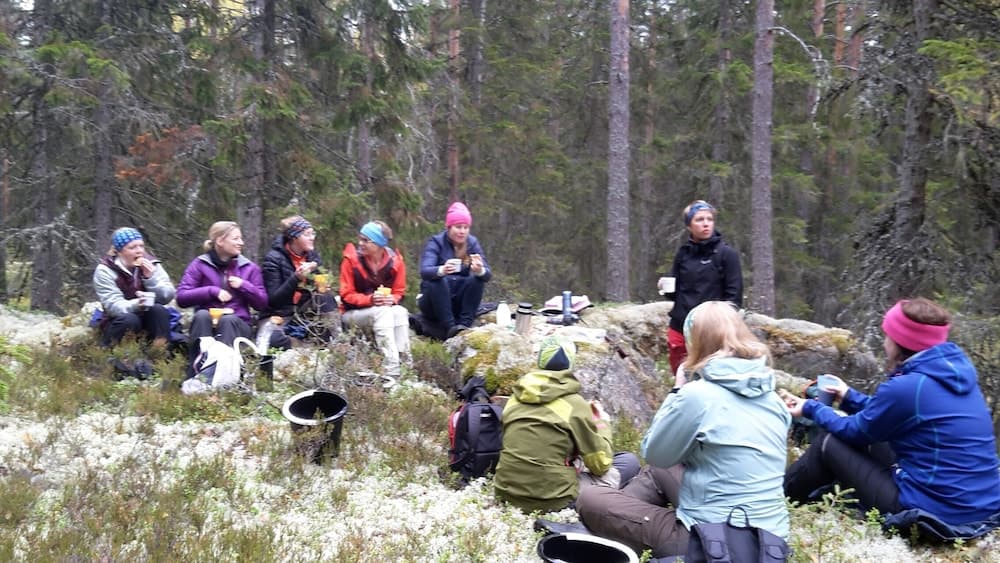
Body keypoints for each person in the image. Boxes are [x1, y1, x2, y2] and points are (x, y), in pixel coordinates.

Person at [576, 301, 790, 558]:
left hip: (709, 543)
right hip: (771, 542)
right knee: (663, 469)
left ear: (695, 343)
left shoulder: (697, 396)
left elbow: (654, 452)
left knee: (591, 499)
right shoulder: (773, 399)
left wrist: (677, 391)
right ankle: (620, 517)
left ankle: (613, 525)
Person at [782, 298, 1000, 530]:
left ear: (901, 341)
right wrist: (848, 397)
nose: (885, 343)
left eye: (887, 335)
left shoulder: (907, 387)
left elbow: (854, 431)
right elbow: (887, 416)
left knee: (829, 443)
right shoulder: (954, 375)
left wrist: (810, 408)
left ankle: (781, 500)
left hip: (939, 511)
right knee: (878, 438)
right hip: (981, 504)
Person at [494, 336, 640, 513]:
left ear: (540, 362)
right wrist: (602, 424)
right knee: (628, 462)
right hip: (555, 499)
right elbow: (600, 464)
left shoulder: (515, 398)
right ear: (570, 365)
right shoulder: (574, 404)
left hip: (506, 493)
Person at [176, 221, 268, 374]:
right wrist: (212, 291)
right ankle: (196, 374)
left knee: (228, 320)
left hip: (238, 325)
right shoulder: (199, 264)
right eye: (236, 238)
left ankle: (222, 375)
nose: (241, 243)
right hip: (207, 324)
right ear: (220, 241)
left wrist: (244, 286)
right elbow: (182, 297)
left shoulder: (249, 268)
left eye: (241, 238)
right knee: (201, 315)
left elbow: (262, 303)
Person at [665, 200, 743, 374]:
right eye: (699, 219)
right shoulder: (683, 253)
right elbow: (675, 293)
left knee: (709, 375)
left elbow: (734, 297)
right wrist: (665, 288)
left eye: (709, 219)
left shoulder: (726, 254)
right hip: (680, 325)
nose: (706, 223)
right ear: (689, 225)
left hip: (711, 327)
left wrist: (724, 328)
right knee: (681, 375)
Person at [338, 220, 410, 376]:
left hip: (381, 311)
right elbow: (346, 294)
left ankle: (405, 363)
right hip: (351, 315)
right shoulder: (351, 260)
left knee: (400, 311)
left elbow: (399, 291)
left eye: (366, 240)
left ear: (379, 244)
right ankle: (391, 369)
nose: (360, 243)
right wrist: (370, 300)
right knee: (383, 312)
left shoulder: (395, 262)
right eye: (360, 239)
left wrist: (393, 299)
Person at [260, 215, 338, 346]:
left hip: (303, 313)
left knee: (325, 297)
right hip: (281, 314)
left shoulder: (312, 256)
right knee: (273, 340)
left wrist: (321, 282)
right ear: (294, 237)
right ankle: (303, 346)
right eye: (307, 234)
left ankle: (338, 340)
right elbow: (274, 300)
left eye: (313, 233)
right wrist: (296, 278)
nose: (312, 238)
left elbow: (316, 289)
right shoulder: (273, 259)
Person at [418, 201, 491, 340]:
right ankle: (450, 327)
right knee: (436, 281)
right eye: (458, 227)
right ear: (449, 227)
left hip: (458, 300)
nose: (462, 231)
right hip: (434, 302)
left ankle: (464, 325)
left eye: (466, 227)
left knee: (477, 280)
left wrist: (480, 270)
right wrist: (442, 270)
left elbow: (487, 275)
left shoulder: (472, 243)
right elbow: (425, 271)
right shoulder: (436, 242)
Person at [92, 227, 176, 348]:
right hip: (119, 321)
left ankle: (161, 353)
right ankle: (118, 358)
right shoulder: (105, 270)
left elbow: (167, 296)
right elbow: (114, 307)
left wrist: (150, 279)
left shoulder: (151, 263)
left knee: (158, 310)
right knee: (130, 319)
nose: (139, 251)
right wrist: (138, 304)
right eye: (132, 247)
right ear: (119, 251)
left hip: (148, 319)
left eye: (141, 246)